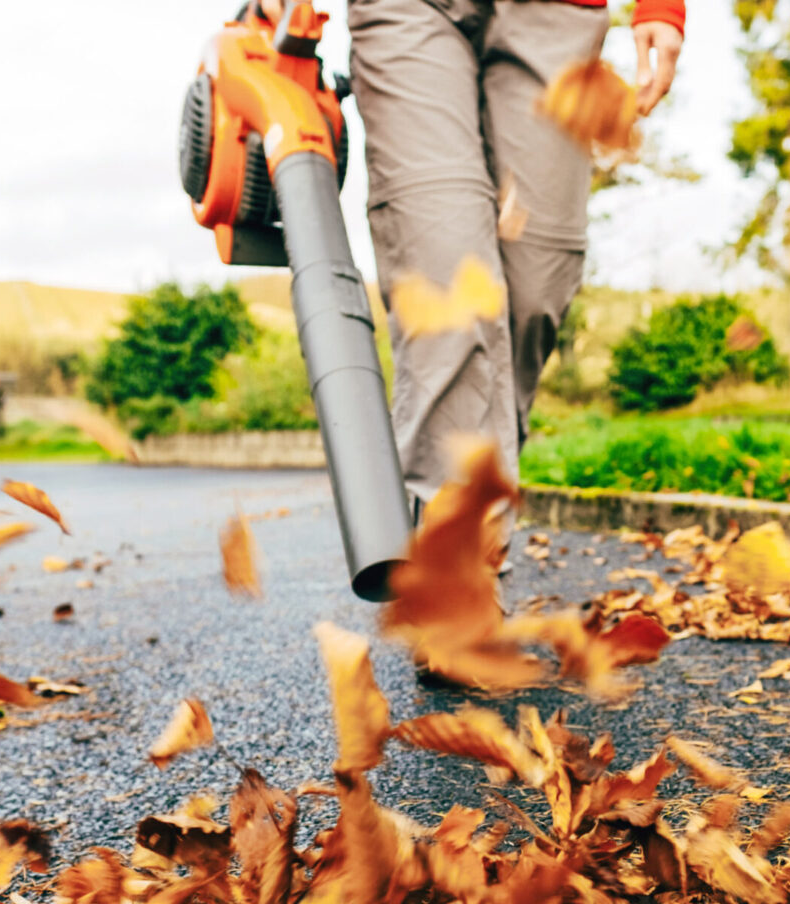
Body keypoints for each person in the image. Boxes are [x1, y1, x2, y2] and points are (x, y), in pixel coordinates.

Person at [257, 0, 683, 544]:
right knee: (450, 285)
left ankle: (465, 523)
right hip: (408, 11)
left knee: (536, 286)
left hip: (558, 14)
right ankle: (460, 579)